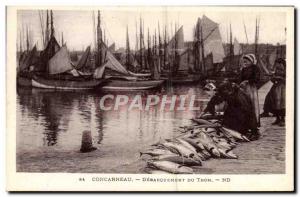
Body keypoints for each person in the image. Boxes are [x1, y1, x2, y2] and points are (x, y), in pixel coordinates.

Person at [239, 54, 261, 127]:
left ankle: (254, 122)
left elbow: (257, 78)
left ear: (251, 61)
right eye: (244, 61)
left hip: (251, 88)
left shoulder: (255, 68)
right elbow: (240, 79)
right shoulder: (243, 69)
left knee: (252, 104)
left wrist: (248, 81)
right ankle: (245, 122)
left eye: (247, 61)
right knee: (244, 103)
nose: (245, 63)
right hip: (244, 88)